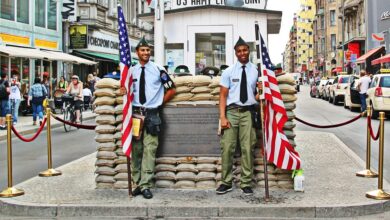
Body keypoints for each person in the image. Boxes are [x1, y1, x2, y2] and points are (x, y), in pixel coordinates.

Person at [124, 37, 176, 199]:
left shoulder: (159, 69)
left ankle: (146, 184)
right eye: (143, 50)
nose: (146, 53)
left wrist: (159, 103)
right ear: (137, 52)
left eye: (148, 50)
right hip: (135, 115)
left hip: (152, 114)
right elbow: (124, 89)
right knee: (137, 150)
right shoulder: (131, 71)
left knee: (150, 149)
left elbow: (171, 89)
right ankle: (137, 182)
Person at [217, 37, 259, 196]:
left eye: (245, 50)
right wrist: (222, 117)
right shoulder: (228, 71)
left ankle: (246, 183)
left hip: (248, 113)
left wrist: (261, 91)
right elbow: (222, 96)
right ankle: (226, 182)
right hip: (231, 113)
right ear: (235, 53)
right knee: (227, 148)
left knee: (248, 148)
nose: (242, 53)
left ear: (249, 51)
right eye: (239, 51)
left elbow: (257, 95)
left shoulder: (256, 71)